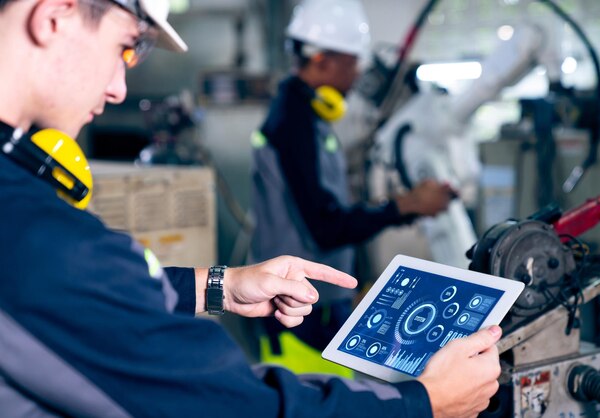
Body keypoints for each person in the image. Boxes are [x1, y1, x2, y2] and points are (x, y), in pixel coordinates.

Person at [0, 0, 501, 417]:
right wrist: (422, 403)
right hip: (308, 319)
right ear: (56, 15)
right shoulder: (30, 232)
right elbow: (233, 405)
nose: (118, 89)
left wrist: (221, 286)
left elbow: (101, 297)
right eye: (125, 48)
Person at [249, 0, 456, 374]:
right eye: (352, 62)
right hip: (301, 313)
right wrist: (406, 205)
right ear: (321, 59)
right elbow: (326, 227)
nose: (357, 73)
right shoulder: (294, 121)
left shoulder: (305, 115)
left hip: (318, 302)